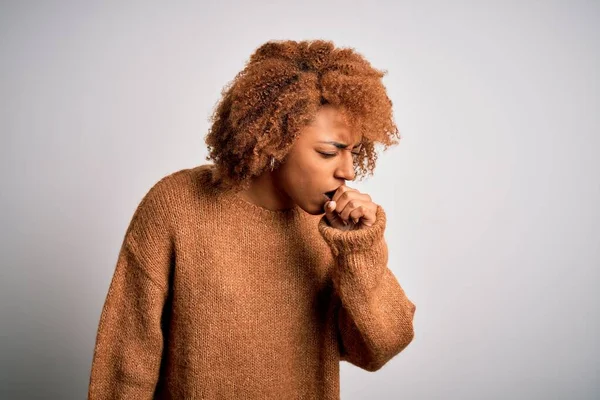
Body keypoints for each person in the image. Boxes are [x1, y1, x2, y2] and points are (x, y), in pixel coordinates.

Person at [87, 39, 416, 399]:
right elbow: (126, 361)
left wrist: (357, 253)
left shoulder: (333, 232)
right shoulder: (176, 206)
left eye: (353, 152)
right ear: (275, 136)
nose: (349, 171)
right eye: (328, 152)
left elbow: (378, 349)